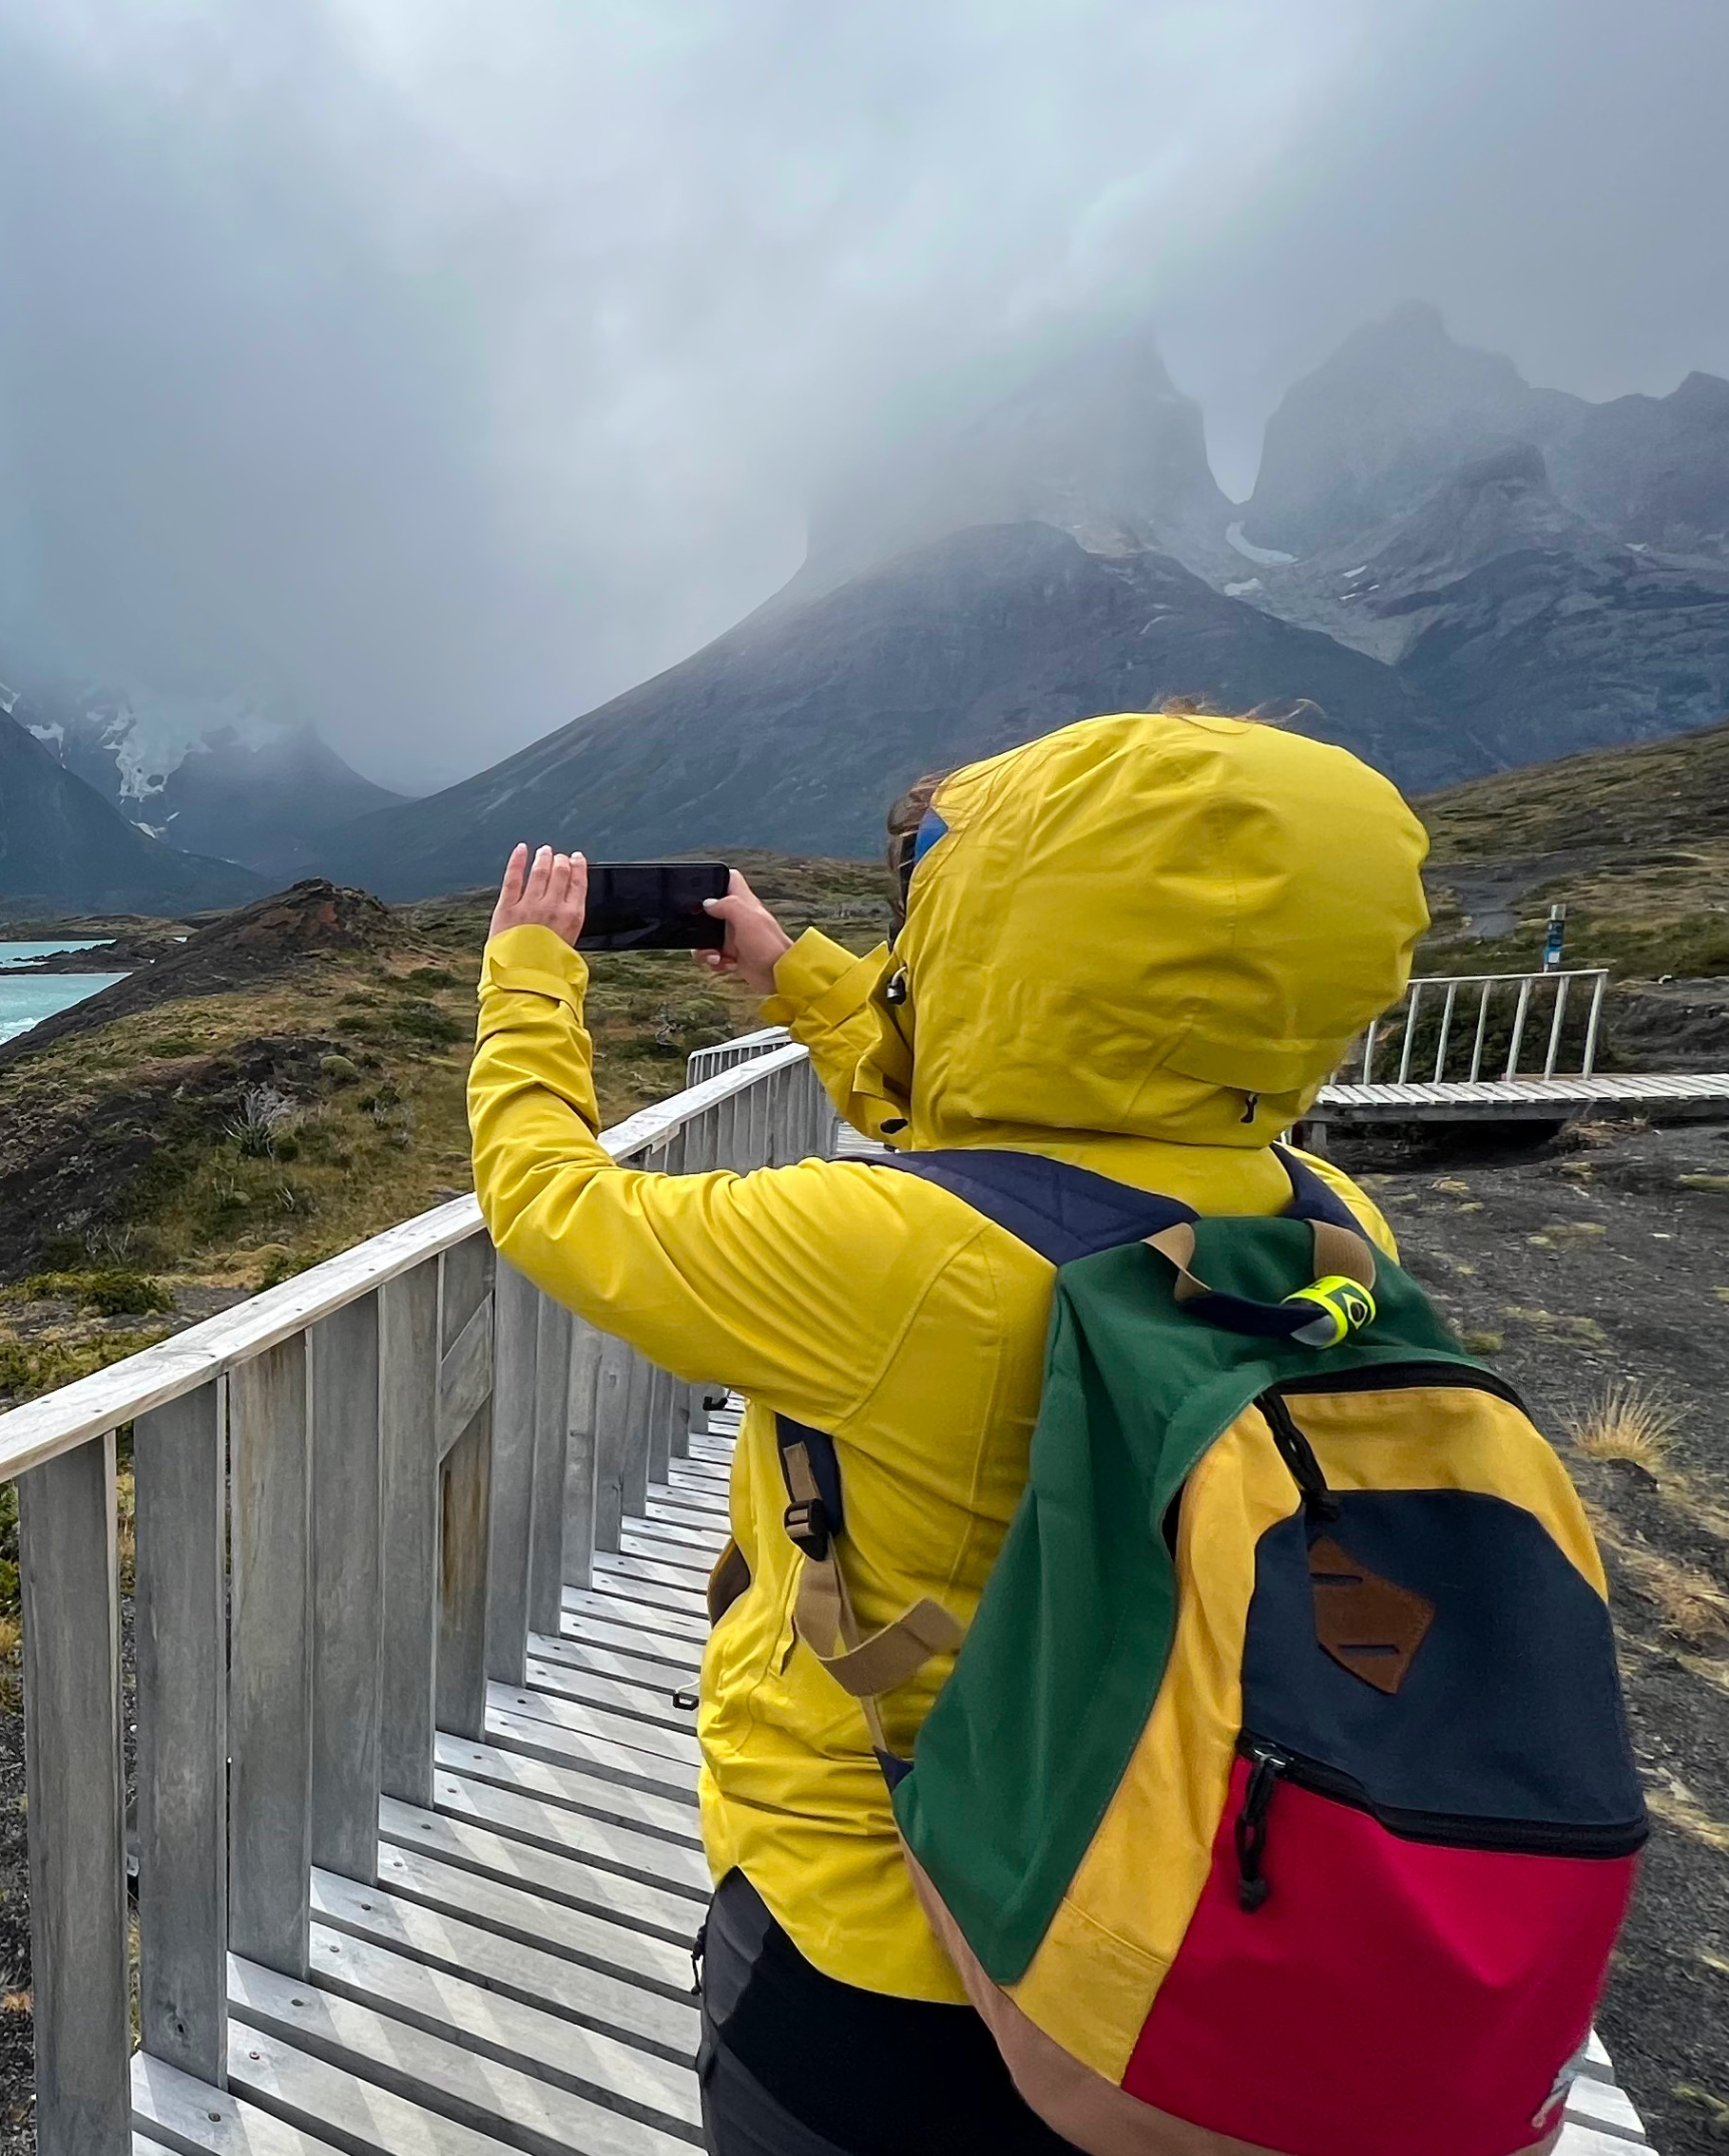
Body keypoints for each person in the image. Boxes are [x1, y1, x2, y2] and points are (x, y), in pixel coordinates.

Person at [468, 710, 1429, 2155]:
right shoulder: (1324, 1222)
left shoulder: (882, 1253)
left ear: (1001, 946)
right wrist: (801, 980)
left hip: (879, 1921)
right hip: (1155, 1915)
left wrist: (528, 981)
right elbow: (1062, 1130)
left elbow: (553, 1202)